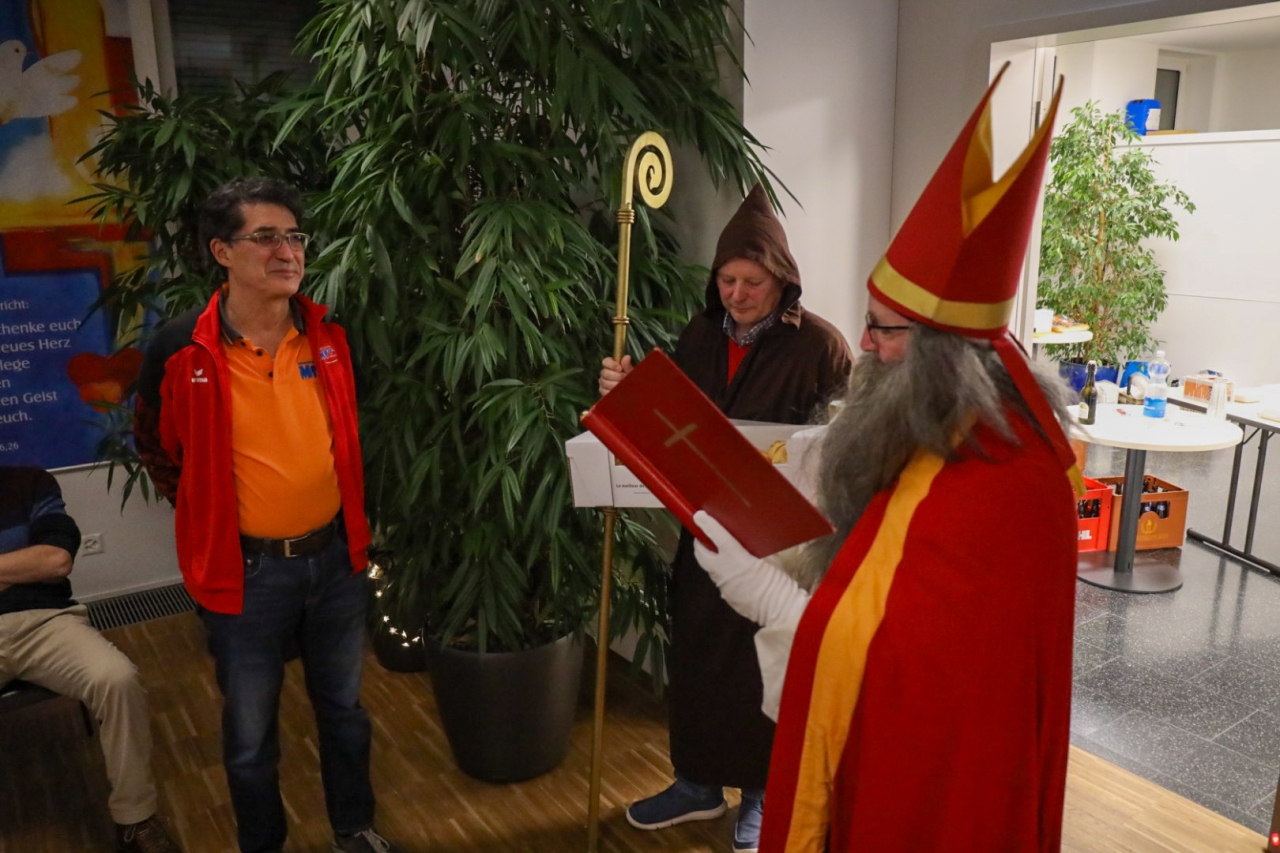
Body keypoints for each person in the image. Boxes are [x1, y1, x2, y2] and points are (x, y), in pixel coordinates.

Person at [692, 69, 1080, 851]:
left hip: (931, 786)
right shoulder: (957, 419)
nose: (865, 343)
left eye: (884, 329)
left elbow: (898, 671)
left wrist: (767, 596)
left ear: (946, 353)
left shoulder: (996, 489)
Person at [134, 177, 397, 853]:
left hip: (336, 562)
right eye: (266, 237)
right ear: (222, 251)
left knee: (344, 712)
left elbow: (347, 437)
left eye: (295, 236)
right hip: (246, 573)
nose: (288, 251)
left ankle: (354, 828)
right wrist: (206, 513)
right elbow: (156, 445)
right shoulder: (181, 349)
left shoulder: (328, 334)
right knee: (251, 736)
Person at [601, 184, 853, 853]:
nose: (737, 295)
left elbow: (844, 448)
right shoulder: (699, 334)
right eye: (727, 280)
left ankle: (764, 794)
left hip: (780, 546)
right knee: (698, 660)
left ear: (783, 280)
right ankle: (697, 782)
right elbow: (671, 420)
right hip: (706, 528)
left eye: (752, 282)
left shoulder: (821, 346)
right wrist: (627, 393)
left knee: (761, 665)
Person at [0, 465, 182, 853]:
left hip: (45, 621)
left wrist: (33, 566)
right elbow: (40, 562)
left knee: (117, 679)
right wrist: (21, 566)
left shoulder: (31, 482)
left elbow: (55, 561)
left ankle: (135, 819)